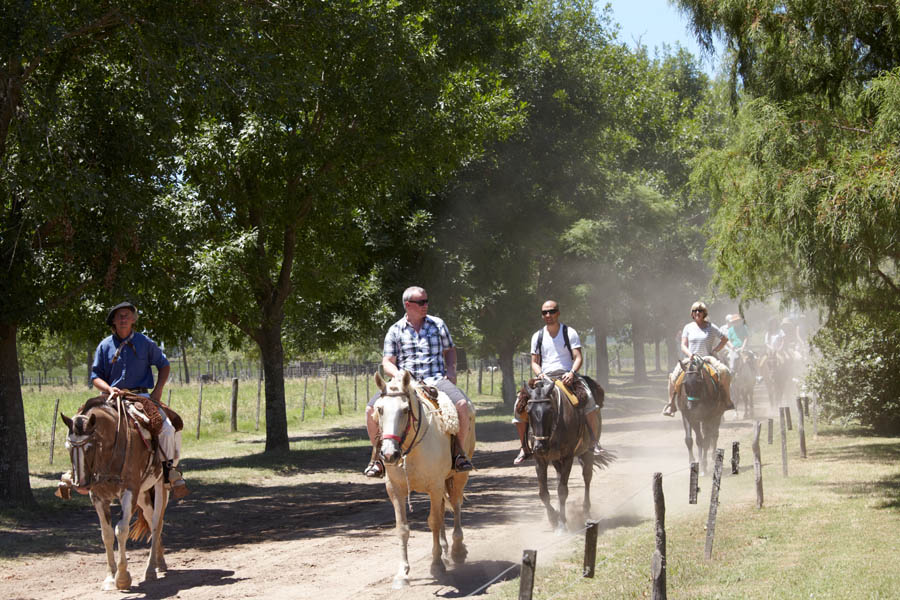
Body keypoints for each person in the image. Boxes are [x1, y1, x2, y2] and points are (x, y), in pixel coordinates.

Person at [363, 286, 475, 478]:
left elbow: (450, 351)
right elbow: (387, 362)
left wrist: (451, 370)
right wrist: (398, 375)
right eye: (421, 302)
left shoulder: (438, 325)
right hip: (405, 383)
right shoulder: (395, 330)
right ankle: (378, 458)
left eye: (426, 301)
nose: (426, 305)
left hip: (435, 380)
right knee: (371, 409)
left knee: (463, 405)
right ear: (408, 305)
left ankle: (458, 454)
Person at [90, 301, 188, 497]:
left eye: (127, 315)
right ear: (114, 322)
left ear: (134, 319)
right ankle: (81, 473)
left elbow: (164, 365)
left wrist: (158, 391)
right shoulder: (104, 345)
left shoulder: (145, 343)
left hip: (140, 396)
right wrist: (110, 388)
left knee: (166, 428)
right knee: (83, 426)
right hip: (111, 397)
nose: (124, 318)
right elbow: (95, 377)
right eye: (119, 316)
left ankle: (168, 471)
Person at [512, 300, 603, 465]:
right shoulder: (537, 336)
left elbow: (578, 357)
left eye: (552, 311)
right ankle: (524, 447)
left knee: (589, 400)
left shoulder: (569, 333)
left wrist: (572, 373)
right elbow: (534, 361)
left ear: (558, 313)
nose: (548, 315)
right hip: (544, 378)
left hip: (567, 376)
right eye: (545, 312)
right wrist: (540, 374)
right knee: (519, 405)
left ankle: (594, 442)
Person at [662, 301, 734, 417]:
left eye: (700, 310)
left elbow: (724, 339)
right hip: (691, 359)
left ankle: (727, 400)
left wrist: (715, 350)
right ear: (692, 313)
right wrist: (690, 354)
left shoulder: (711, 327)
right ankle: (671, 404)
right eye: (694, 310)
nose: (697, 313)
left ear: (704, 313)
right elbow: (683, 345)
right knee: (673, 377)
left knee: (725, 372)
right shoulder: (688, 327)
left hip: (707, 358)